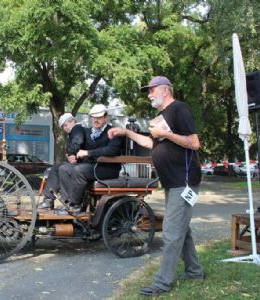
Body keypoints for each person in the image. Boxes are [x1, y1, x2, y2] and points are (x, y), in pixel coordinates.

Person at [107, 76, 204, 297]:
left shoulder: (179, 109)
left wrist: (166, 134)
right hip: (172, 183)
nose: (149, 94)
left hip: (185, 180)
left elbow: (194, 142)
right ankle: (194, 271)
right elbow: (151, 143)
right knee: (182, 229)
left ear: (165, 90)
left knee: (171, 232)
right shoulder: (161, 116)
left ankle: (162, 283)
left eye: (151, 90)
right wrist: (126, 133)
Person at [58, 104, 123, 213]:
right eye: (94, 117)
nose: (96, 120)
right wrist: (71, 154)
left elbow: (112, 150)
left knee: (79, 170)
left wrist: (88, 152)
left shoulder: (113, 131)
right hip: (92, 166)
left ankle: (75, 205)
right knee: (64, 168)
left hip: (108, 168)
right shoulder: (88, 132)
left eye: (99, 117)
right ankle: (67, 203)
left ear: (105, 118)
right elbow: (76, 143)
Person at [39, 113, 86, 209]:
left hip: (84, 163)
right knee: (56, 167)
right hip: (80, 162)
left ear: (72, 121)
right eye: (63, 127)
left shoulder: (77, 129)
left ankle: (68, 201)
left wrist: (71, 154)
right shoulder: (73, 132)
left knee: (62, 168)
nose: (64, 128)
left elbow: (78, 141)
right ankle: (48, 199)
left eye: (65, 125)